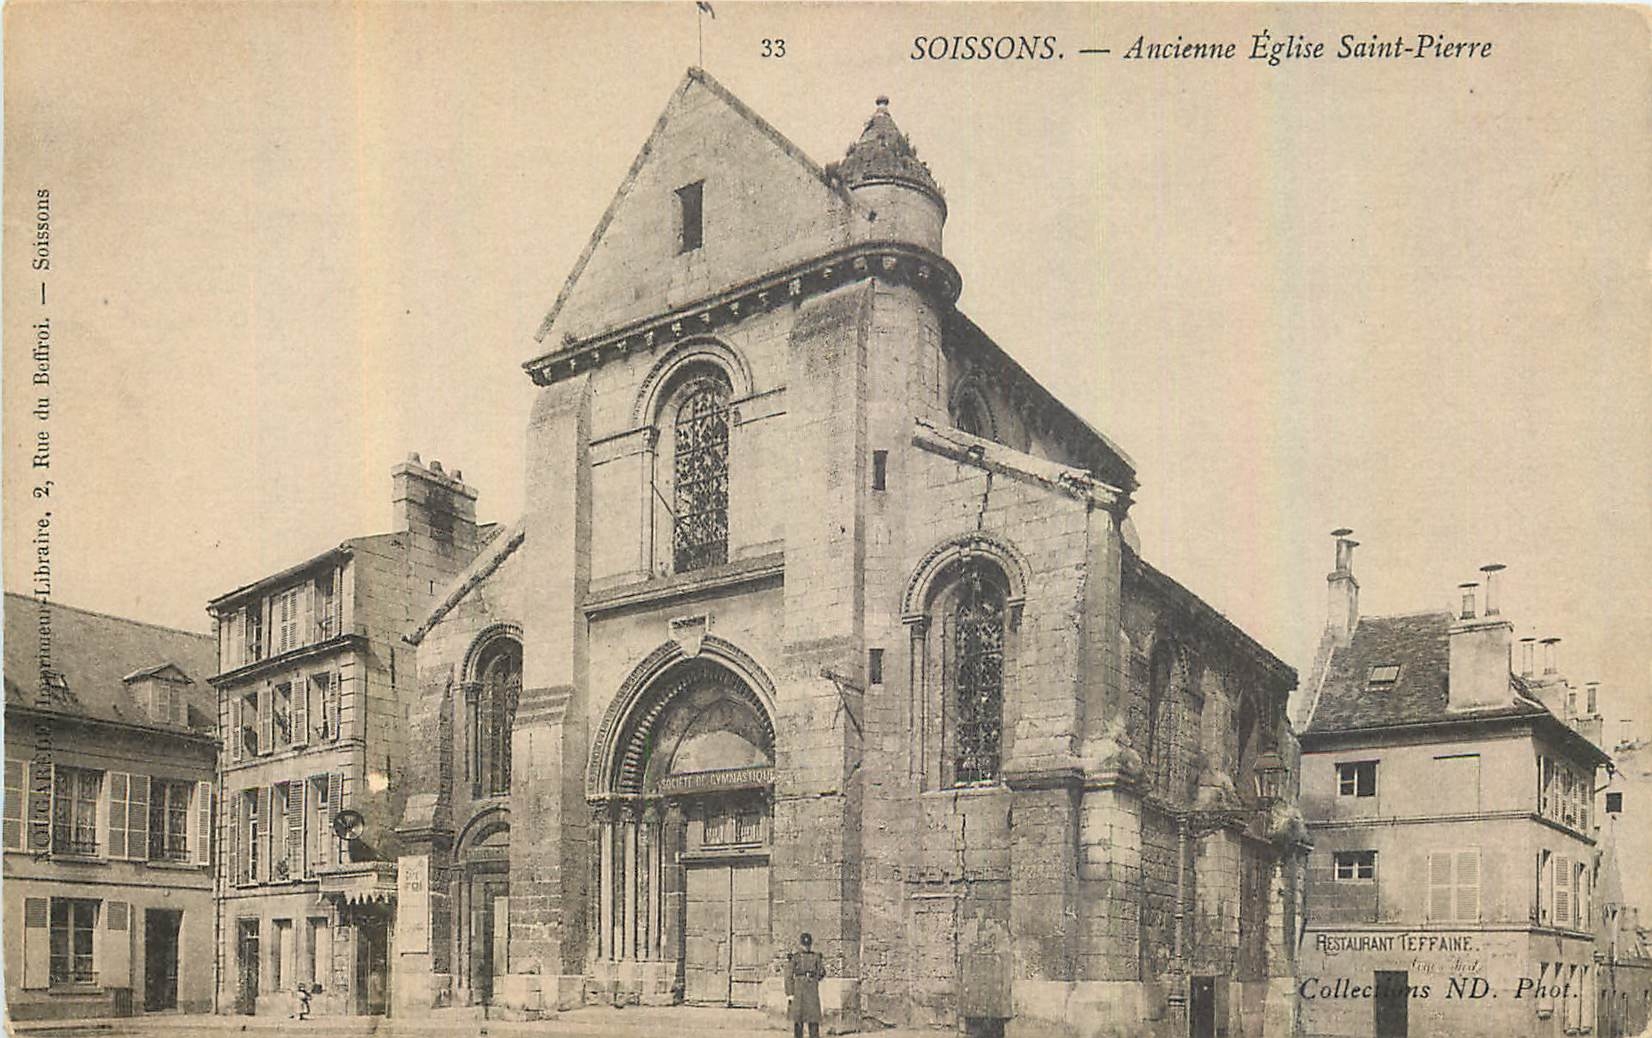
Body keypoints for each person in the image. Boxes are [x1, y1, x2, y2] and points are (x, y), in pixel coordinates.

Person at [786, 932, 826, 1038]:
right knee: (798, 1019)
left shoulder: (816, 957)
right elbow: (788, 976)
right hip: (799, 991)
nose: (806, 947)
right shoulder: (795, 958)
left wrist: (814, 977)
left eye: (808, 945)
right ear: (800, 944)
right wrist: (790, 993)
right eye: (804, 945)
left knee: (813, 1019)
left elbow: (822, 972)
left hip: (812, 991)